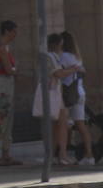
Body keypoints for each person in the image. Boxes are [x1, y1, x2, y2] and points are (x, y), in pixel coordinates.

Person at [34, 33, 73, 166]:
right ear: (57, 44)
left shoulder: (50, 57)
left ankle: (55, 154)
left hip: (54, 92)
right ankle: (61, 154)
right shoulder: (49, 57)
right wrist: (73, 69)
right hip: (51, 93)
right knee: (59, 123)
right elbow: (58, 74)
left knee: (57, 123)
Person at [0, 20, 22, 166]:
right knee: (0, 119)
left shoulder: (6, 48)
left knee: (7, 119)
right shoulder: (2, 49)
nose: (16, 34)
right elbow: (9, 70)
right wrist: (16, 69)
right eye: (14, 31)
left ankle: (6, 154)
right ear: (7, 31)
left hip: (7, 84)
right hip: (2, 84)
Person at [59, 31, 93, 164]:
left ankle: (64, 153)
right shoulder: (76, 56)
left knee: (64, 123)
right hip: (80, 92)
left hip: (69, 93)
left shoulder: (64, 56)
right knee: (80, 124)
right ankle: (89, 154)